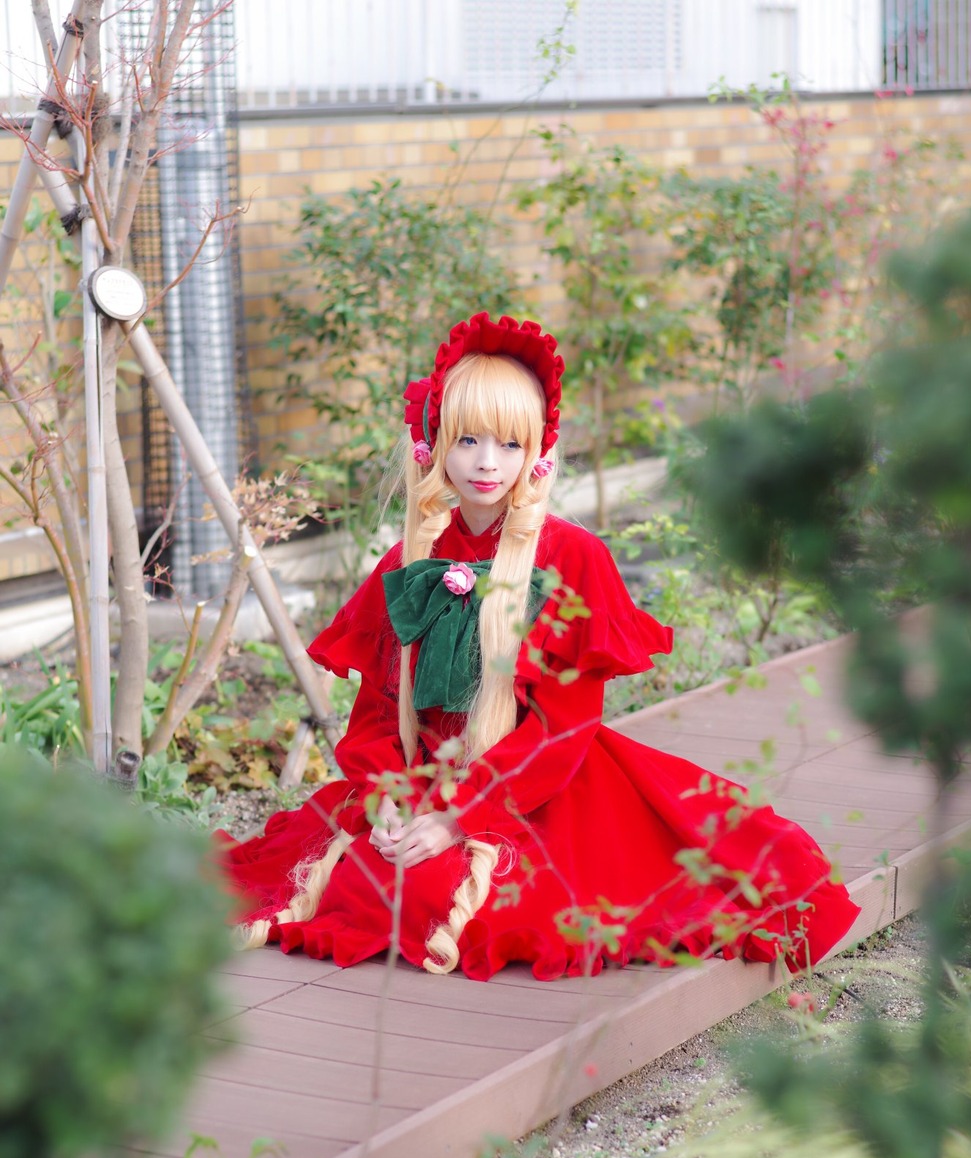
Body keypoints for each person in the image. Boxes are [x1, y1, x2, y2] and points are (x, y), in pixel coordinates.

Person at [218, 312, 859, 981]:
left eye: (508, 443)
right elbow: (380, 709)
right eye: (466, 440)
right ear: (433, 443)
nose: (486, 463)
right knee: (364, 880)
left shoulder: (572, 558)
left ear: (537, 452)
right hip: (424, 775)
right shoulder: (410, 558)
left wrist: (457, 820)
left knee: (435, 898)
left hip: (535, 785)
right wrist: (391, 801)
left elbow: (564, 722)